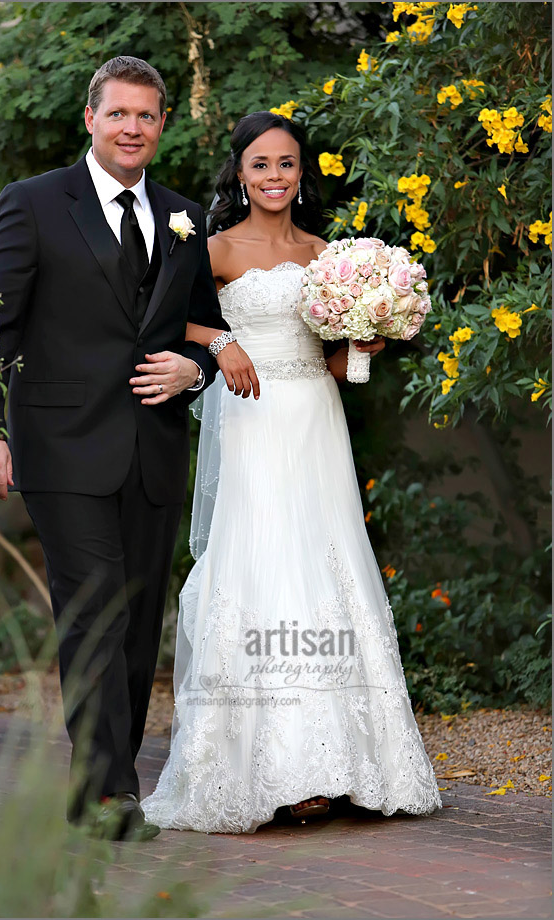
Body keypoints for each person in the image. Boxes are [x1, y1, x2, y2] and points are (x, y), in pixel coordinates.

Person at [0, 56, 256, 841]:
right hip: (60, 450)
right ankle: (106, 797)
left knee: (132, 627)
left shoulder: (182, 215)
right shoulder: (33, 204)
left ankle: (105, 783)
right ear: (90, 119)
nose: (132, 128)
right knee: (91, 614)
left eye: (147, 116)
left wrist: (192, 370)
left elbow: (199, 329)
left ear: (162, 125)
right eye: (118, 114)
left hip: (151, 452)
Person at [141, 111, 443, 833]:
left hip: (314, 417)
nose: (274, 176)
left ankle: (341, 765)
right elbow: (159, 321)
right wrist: (220, 341)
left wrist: (369, 332)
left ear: (300, 173)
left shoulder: (327, 255)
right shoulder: (212, 248)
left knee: (327, 564)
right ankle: (272, 767)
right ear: (238, 173)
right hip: (249, 418)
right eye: (260, 164)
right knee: (262, 565)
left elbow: (343, 369)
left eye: (286, 164)